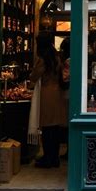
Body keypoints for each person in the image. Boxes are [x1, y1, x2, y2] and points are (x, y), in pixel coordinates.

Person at [29, 32, 67, 168]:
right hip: (57, 93)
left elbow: (34, 76)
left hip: (46, 94)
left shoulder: (42, 58)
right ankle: (54, 157)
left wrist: (31, 77)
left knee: (46, 128)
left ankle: (47, 158)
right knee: (55, 128)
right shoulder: (56, 56)